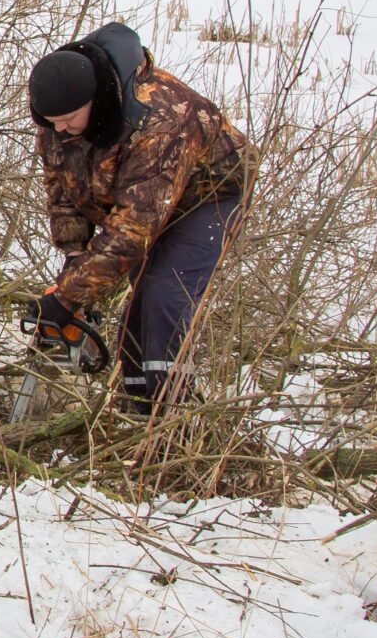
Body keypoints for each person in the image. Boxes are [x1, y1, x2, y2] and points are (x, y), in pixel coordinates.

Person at [24, 23, 252, 411]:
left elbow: (133, 230)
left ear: (96, 99)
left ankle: (171, 418)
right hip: (139, 201)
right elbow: (62, 193)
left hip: (205, 197)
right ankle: (134, 409)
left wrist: (70, 296)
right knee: (135, 310)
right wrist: (76, 264)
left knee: (163, 296)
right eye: (51, 121)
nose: (59, 129)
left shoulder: (158, 120)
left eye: (68, 119)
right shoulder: (56, 125)